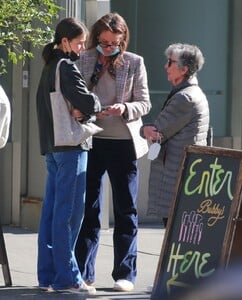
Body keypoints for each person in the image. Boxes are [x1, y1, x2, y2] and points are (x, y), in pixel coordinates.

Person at [74, 12, 151, 292]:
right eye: (103, 42)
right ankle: (84, 272)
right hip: (91, 140)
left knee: (125, 208)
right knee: (89, 209)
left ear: (123, 39)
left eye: (113, 43)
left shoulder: (134, 62)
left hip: (123, 142)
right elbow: (74, 96)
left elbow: (144, 103)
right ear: (95, 39)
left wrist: (125, 108)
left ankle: (125, 274)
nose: (107, 48)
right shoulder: (83, 60)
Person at [36, 17, 101, 295]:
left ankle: (49, 275)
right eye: (79, 42)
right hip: (71, 147)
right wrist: (90, 107)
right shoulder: (66, 66)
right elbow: (88, 101)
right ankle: (68, 277)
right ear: (65, 42)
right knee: (69, 214)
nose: (82, 47)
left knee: (52, 213)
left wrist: (81, 109)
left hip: (52, 146)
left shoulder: (49, 66)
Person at [141, 43, 210, 228]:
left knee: (175, 232)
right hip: (184, 173)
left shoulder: (184, 98)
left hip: (175, 176)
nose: (165, 66)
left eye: (170, 62)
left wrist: (144, 129)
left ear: (184, 69)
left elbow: (159, 131)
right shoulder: (192, 92)